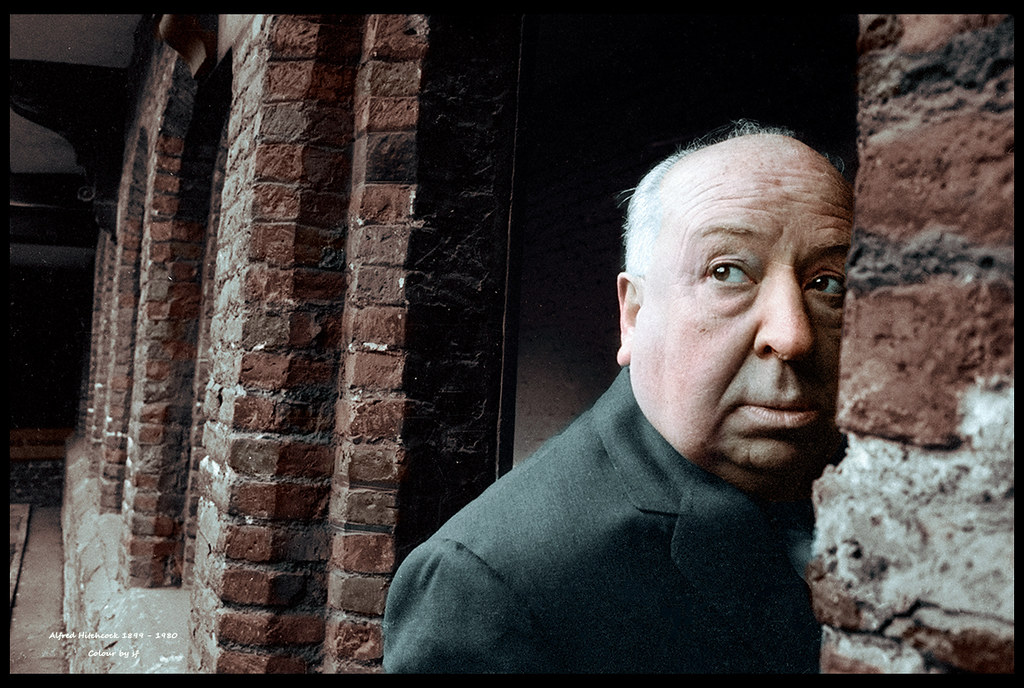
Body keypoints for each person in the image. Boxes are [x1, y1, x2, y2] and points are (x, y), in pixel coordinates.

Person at [382, 121, 854, 673]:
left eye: (828, 282)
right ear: (633, 315)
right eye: (727, 272)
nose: (793, 335)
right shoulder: (485, 586)